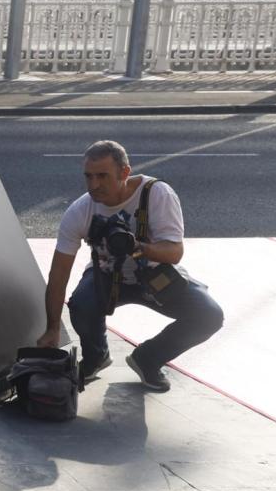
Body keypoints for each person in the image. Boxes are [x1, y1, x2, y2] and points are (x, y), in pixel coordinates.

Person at [37, 141, 223, 391]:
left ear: (124, 173)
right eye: (88, 177)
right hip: (106, 275)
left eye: (102, 176)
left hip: (155, 275)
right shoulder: (80, 211)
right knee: (81, 304)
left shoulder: (157, 194)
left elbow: (175, 252)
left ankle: (148, 358)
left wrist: (142, 248)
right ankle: (96, 357)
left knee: (209, 315)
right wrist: (52, 328)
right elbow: (58, 274)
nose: (94, 185)